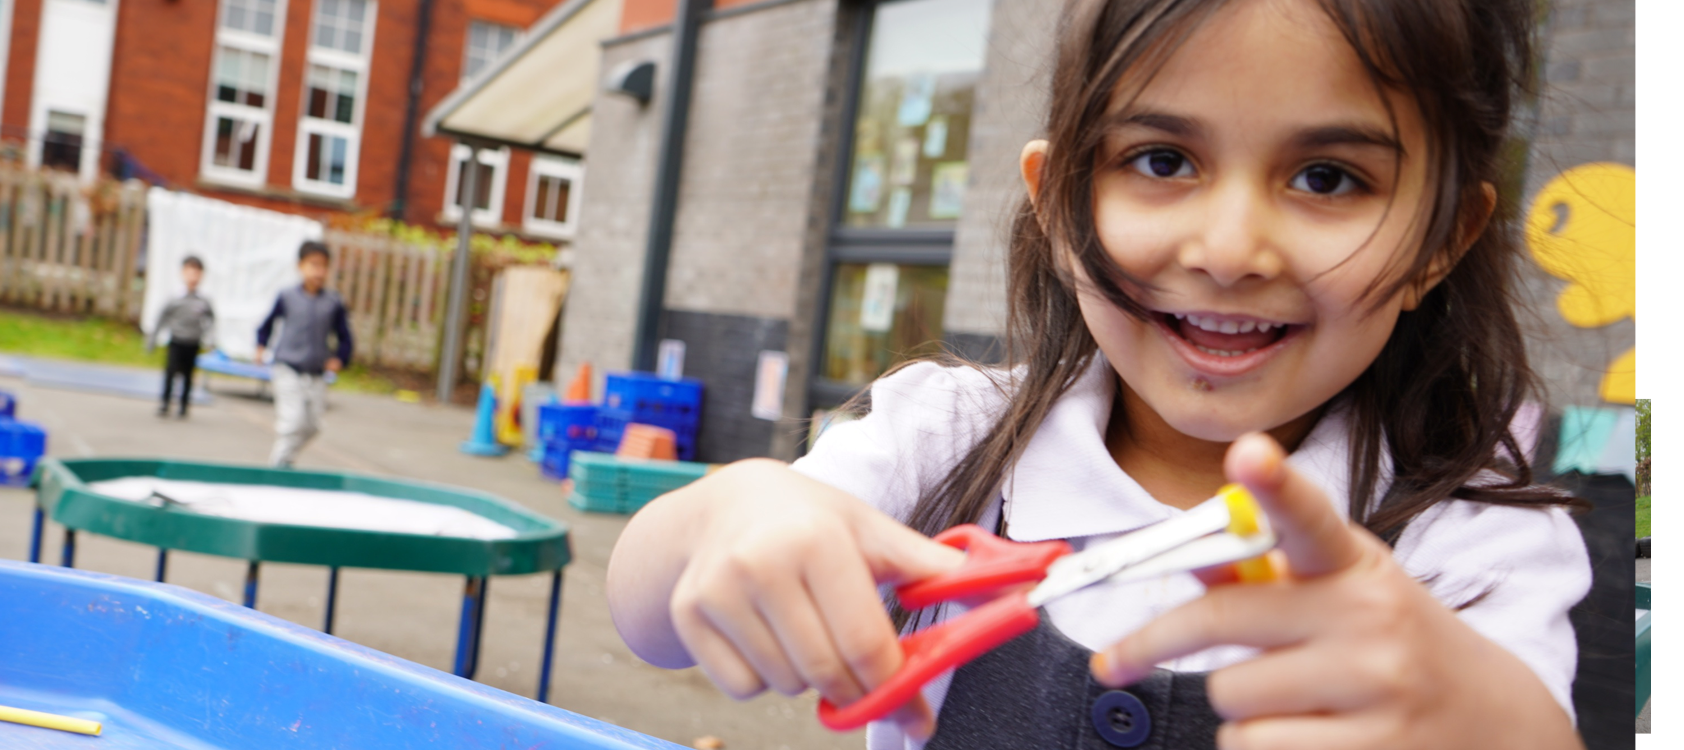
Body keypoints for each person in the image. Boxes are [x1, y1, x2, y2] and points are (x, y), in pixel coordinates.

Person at [605, 1, 1592, 749]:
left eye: (1327, 178)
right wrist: (731, 511)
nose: (1229, 247)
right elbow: (648, 620)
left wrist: (1479, 713)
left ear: (1443, 241)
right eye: (1162, 161)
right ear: (1057, 204)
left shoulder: (1478, 533)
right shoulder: (946, 432)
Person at [256, 241, 353, 468]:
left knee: (312, 426)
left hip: (316, 373)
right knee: (292, 422)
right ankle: (277, 467)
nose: (319, 271)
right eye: (313, 265)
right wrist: (261, 346)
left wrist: (340, 358)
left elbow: (345, 336)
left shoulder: (333, 302)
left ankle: (286, 460)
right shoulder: (287, 296)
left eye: (323, 266)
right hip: (287, 367)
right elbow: (267, 325)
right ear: (300, 266)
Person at [148, 255, 214, 419]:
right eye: (190, 272)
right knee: (170, 373)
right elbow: (161, 317)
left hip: (193, 342)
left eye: (197, 273)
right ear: (183, 273)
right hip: (176, 340)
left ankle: (184, 405)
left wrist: (210, 338)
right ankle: (165, 403)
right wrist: (152, 337)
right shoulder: (175, 298)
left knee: (188, 375)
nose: (193, 277)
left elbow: (211, 319)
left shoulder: (203, 301)